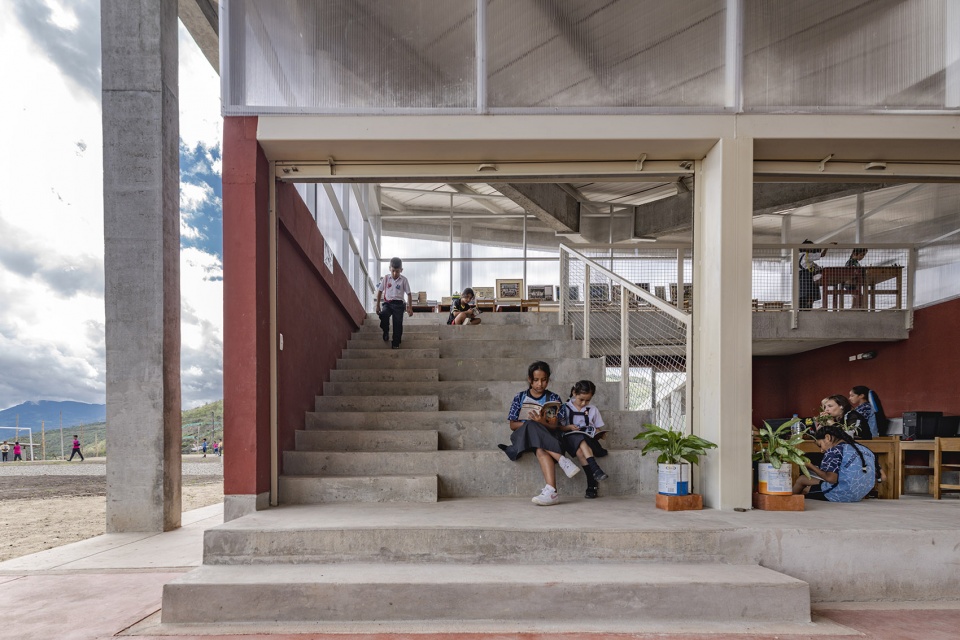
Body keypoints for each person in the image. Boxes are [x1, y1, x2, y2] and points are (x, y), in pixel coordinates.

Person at [498, 361, 580, 506]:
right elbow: (513, 425)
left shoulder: (553, 398)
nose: (540, 384)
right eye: (536, 380)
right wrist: (532, 423)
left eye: (544, 380)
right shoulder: (520, 397)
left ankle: (551, 492)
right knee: (531, 424)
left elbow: (554, 426)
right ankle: (562, 460)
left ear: (548, 380)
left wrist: (541, 421)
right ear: (530, 379)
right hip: (523, 437)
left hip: (546, 437)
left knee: (540, 449)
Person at [793, 425, 876, 502]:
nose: (821, 450)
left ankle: (788, 502)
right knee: (802, 479)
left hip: (842, 493)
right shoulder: (862, 449)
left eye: (820, 445)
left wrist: (810, 466)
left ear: (827, 437)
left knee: (806, 490)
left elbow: (831, 479)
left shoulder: (834, 451)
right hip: (860, 493)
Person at [560, 380, 610, 499]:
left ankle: (592, 482)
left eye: (587, 400)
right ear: (574, 393)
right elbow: (558, 427)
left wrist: (600, 434)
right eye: (581, 399)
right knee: (579, 440)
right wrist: (568, 427)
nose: (584, 403)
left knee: (581, 449)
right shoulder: (564, 407)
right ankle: (594, 471)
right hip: (570, 441)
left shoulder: (593, 409)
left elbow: (597, 428)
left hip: (589, 441)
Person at [376, 257, 413, 350]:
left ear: (401, 270)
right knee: (383, 315)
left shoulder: (404, 280)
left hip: (399, 305)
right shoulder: (386, 278)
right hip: (387, 303)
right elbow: (380, 291)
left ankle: (395, 343)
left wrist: (410, 307)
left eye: (397, 271)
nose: (395, 273)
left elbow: (409, 294)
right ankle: (386, 331)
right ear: (390, 269)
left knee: (397, 324)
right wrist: (377, 305)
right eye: (393, 271)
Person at [798, 240, 827, 309]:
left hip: (799, 278)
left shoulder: (798, 255)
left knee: (802, 296)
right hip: (807, 278)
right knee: (810, 295)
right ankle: (808, 309)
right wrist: (827, 247)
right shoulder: (807, 255)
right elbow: (822, 254)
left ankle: (802, 310)